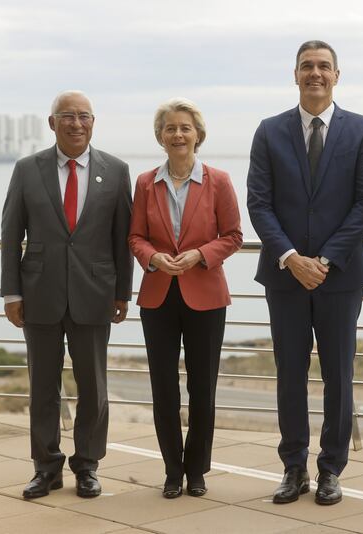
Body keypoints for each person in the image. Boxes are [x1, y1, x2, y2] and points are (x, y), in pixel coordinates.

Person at [247, 40, 363, 506]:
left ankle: (330, 470)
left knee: (339, 376)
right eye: (307, 66)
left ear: (337, 75)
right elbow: (259, 204)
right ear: (296, 74)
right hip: (284, 276)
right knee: (289, 373)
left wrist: (322, 260)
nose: (316, 74)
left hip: (339, 276)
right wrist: (291, 258)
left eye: (324, 66)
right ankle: (292, 468)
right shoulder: (268, 131)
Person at [1, 90, 133, 499]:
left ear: (93, 122)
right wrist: (11, 293)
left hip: (96, 292)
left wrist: (122, 292)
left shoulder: (116, 170)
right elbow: (11, 232)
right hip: (38, 294)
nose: (77, 123)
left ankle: (88, 466)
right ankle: (46, 468)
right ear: (52, 122)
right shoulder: (27, 169)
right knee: (43, 385)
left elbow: (122, 236)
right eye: (68, 116)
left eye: (84, 116)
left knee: (94, 386)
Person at [129, 98, 242, 499]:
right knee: (164, 388)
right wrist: (153, 257)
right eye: (171, 128)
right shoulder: (145, 183)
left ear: (198, 135)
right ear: (161, 137)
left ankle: (197, 470)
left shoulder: (220, 181)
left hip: (206, 296)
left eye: (185, 128)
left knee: (202, 389)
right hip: (158, 296)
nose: (178, 134)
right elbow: (135, 237)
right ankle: (172, 470)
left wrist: (200, 255)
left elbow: (233, 236)